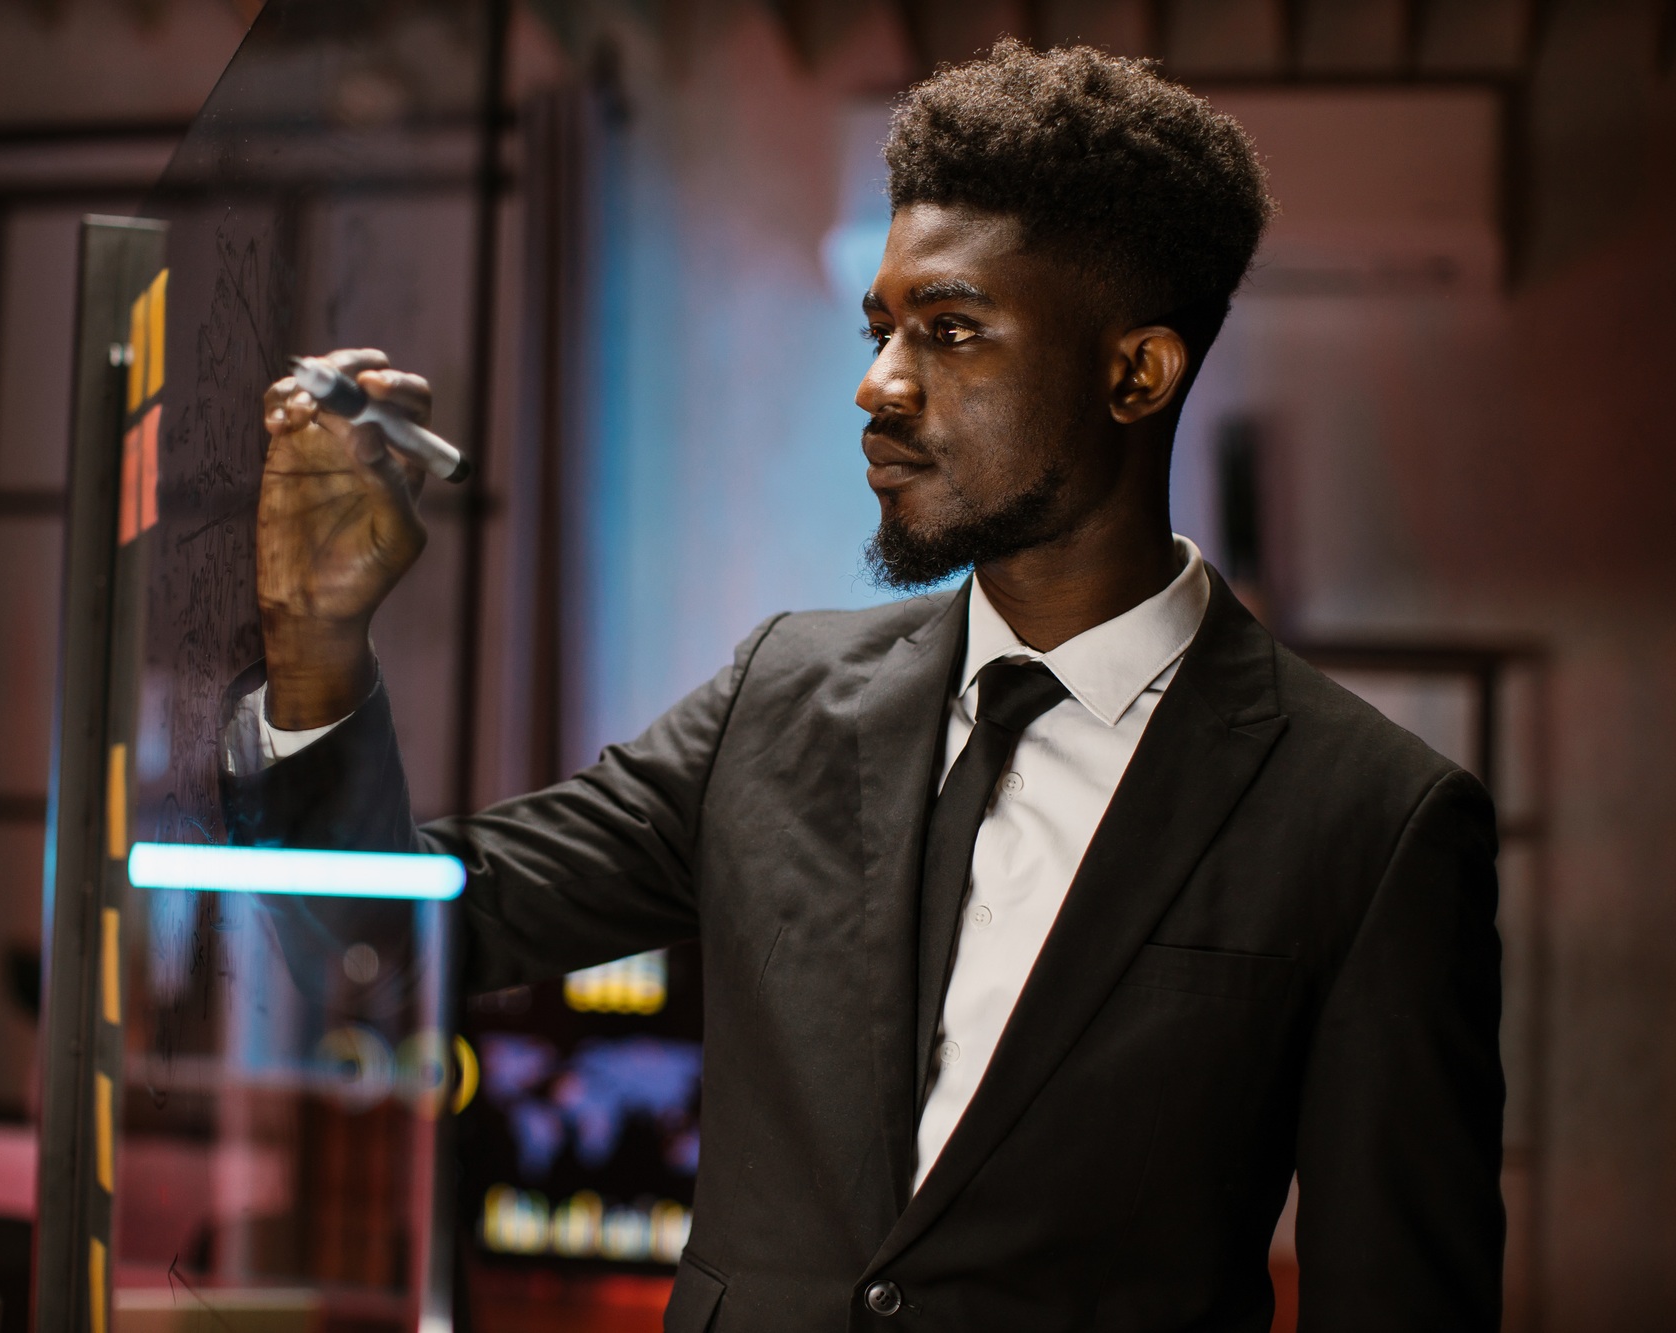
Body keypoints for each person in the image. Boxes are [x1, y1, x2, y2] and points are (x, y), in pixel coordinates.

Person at [225, 39, 1504, 1333]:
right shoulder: (776, 700)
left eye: (949, 331)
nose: (879, 384)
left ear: (1137, 373)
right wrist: (312, 636)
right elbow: (377, 935)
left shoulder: (1372, 820)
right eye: (882, 328)